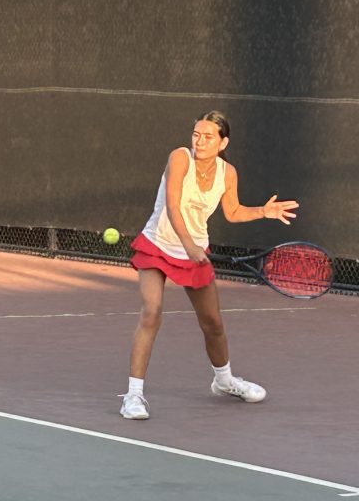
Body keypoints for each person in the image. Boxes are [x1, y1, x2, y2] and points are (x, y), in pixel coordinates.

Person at [120, 111, 299, 420]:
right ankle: (133, 396)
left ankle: (224, 381)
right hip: (158, 244)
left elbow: (233, 212)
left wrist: (263, 211)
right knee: (151, 312)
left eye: (208, 137)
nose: (200, 142)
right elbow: (173, 206)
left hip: (195, 250)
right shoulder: (180, 158)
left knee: (213, 323)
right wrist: (188, 245)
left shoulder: (227, 173)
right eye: (196, 135)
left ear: (222, 142)